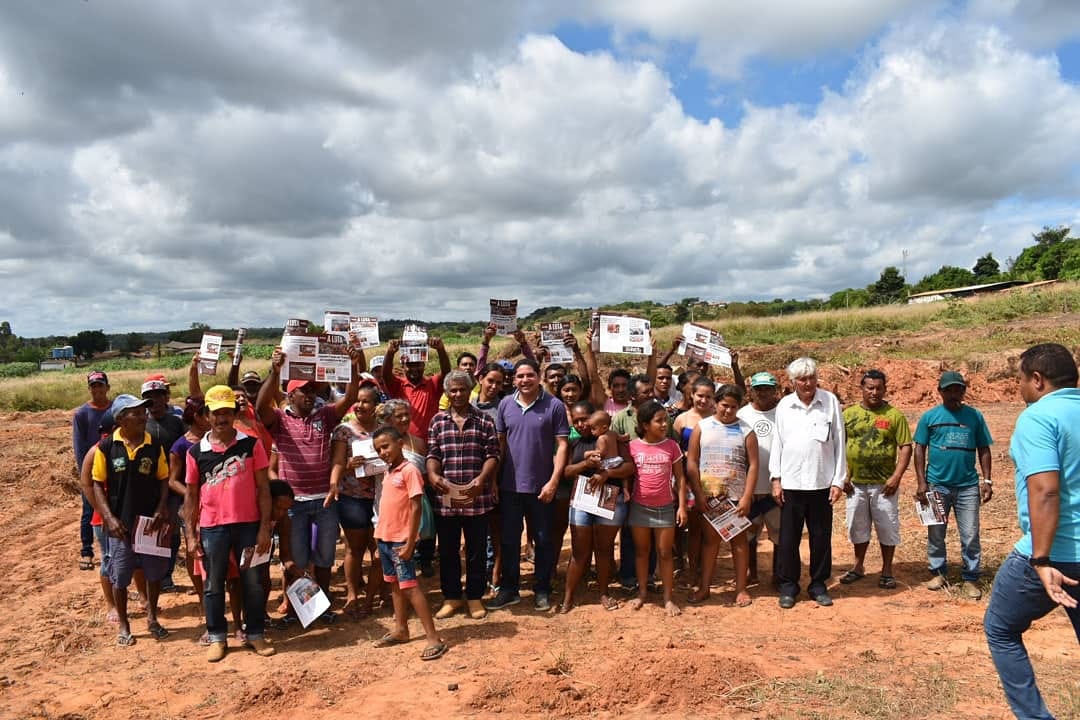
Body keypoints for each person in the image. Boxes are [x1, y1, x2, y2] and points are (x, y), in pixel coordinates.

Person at [984, 343, 1080, 720]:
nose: (1019, 388)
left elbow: (1045, 489)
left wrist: (1040, 558)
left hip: (1054, 551)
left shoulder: (1038, 418)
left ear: (1037, 380)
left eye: (1020, 380)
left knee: (1001, 629)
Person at [256, 344, 365, 612]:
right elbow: (260, 407)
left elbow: (349, 397)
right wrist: (275, 370)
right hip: (293, 505)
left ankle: (322, 607)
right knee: (297, 561)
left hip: (325, 500)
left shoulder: (325, 415)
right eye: (304, 390)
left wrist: (352, 366)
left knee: (325, 558)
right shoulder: (279, 419)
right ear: (290, 394)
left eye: (313, 390)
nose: (310, 394)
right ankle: (299, 610)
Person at [184, 385, 274, 662]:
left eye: (226, 412)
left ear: (235, 414)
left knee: (253, 583)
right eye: (216, 413)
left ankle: (255, 634)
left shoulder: (250, 444)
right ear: (206, 416)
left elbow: (263, 488)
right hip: (212, 527)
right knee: (213, 584)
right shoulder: (196, 452)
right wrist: (190, 534)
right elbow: (190, 495)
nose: (222, 418)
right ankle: (217, 637)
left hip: (248, 524)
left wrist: (264, 528)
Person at [487, 359, 570, 612]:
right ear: (514, 380)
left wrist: (554, 481)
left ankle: (542, 589)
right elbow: (499, 444)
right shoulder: (505, 405)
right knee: (510, 541)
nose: (525, 380)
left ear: (539, 377)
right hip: (510, 486)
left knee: (544, 540)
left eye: (530, 375)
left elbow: (562, 445)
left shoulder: (554, 406)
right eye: (520, 376)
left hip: (541, 487)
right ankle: (510, 590)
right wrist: (493, 480)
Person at [88, 394, 171, 647]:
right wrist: (109, 518)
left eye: (143, 412)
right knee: (120, 576)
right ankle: (124, 625)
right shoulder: (106, 448)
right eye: (136, 412)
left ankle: (152, 618)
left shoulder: (154, 445)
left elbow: (164, 478)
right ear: (121, 418)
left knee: (154, 573)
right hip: (120, 525)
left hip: (149, 524)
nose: (143, 416)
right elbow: (96, 485)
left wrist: (160, 508)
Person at [769, 357, 846, 609]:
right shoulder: (784, 406)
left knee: (821, 537)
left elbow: (839, 442)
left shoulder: (829, 402)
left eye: (811, 377)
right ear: (793, 382)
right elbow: (777, 444)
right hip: (791, 483)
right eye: (802, 379)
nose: (807, 383)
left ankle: (818, 585)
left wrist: (838, 481)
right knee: (789, 539)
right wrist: (776, 479)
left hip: (821, 482)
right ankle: (789, 586)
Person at [426, 370, 500, 620]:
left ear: (471, 391)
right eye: (453, 390)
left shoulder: (484, 421)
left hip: (476, 497)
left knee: (476, 550)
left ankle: (475, 597)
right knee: (447, 550)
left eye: (462, 389)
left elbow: (493, 454)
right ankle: (452, 597)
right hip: (446, 498)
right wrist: (433, 476)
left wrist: (482, 479)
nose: (458, 394)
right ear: (447, 393)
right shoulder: (437, 421)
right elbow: (433, 454)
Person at [914, 370, 993, 599]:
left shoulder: (974, 417)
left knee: (970, 533)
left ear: (963, 390)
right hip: (936, 485)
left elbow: (984, 448)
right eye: (948, 389)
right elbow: (919, 448)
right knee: (936, 532)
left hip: (968, 486)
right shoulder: (930, 417)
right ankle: (938, 572)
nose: (953, 393)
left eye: (958, 388)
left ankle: (970, 578)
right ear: (940, 391)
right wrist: (922, 482)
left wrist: (987, 480)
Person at [371, 426, 447, 661]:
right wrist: (379, 537)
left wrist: (411, 541)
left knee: (411, 587)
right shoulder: (388, 471)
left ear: (400, 443)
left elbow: (416, 507)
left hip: (401, 540)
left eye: (386, 446)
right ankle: (401, 629)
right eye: (378, 449)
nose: (382, 452)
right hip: (385, 537)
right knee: (394, 585)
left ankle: (433, 637)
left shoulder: (410, 470)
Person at [686, 384, 758, 606]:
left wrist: (747, 496)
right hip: (710, 498)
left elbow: (754, 465)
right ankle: (705, 587)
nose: (728, 411)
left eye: (733, 407)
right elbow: (692, 461)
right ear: (716, 403)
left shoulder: (746, 430)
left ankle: (741, 590)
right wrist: (698, 493)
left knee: (739, 542)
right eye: (724, 405)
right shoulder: (703, 427)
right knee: (710, 542)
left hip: (735, 497)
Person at [840, 370, 912, 590]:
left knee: (887, 527)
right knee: (856, 526)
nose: (874, 392)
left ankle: (887, 570)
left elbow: (906, 447)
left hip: (884, 485)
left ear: (885, 389)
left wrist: (896, 476)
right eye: (869, 387)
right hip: (855, 485)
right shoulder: (848, 414)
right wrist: (843, 474)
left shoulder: (894, 416)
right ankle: (858, 566)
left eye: (878, 388)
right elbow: (838, 445)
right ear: (861, 389)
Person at [560, 401, 634, 612]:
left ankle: (604, 593)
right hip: (583, 500)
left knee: (604, 549)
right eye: (576, 422)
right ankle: (568, 597)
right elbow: (565, 472)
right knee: (579, 551)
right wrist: (586, 465)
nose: (581, 425)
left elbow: (629, 468)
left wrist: (607, 474)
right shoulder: (574, 444)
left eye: (585, 419)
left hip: (610, 499)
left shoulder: (611, 438)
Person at [327, 385, 384, 619]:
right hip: (353, 496)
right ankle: (352, 594)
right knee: (355, 548)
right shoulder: (344, 431)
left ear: (376, 406)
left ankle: (379, 590)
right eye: (357, 401)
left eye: (366, 401)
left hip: (381, 497)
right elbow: (338, 462)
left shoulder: (385, 431)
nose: (360, 406)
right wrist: (349, 465)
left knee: (380, 549)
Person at [627, 399, 688, 616]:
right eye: (659, 421)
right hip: (639, 507)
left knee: (664, 553)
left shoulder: (672, 446)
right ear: (645, 425)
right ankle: (642, 592)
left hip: (665, 508)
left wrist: (681, 506)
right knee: (642, 552)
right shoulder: (632, 447)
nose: (664, 424)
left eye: (666, 420)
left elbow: (681, 479)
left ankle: (668, 597)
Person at [141, 375, 187, 591]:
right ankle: (152, 579)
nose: (155, 402)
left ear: (166, 397)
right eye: (149, 398)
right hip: (148, 490)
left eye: (158, 396)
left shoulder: (177, 423)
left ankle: (167, 576)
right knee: (149, 533)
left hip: (174, 487)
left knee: (173, 532)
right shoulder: (141, 426)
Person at [737, 372, 782, 587]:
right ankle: (751, 573)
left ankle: (777, 574)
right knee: (748, 535)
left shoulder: (783, 413)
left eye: (767, 388)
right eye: (759, 388)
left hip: (777, 487)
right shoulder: (742, 414)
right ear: (751, 391)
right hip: (749, 489)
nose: (763, 393)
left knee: (779, 535)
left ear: (776, 390)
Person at [73, 370, 112, 570]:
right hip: (91, 465)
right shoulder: (82, 414)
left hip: (115, 466)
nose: (97, 389)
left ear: (107, 387)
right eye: (93, 385)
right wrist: (84, 473)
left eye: (100, 385)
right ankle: (87, 550)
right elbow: (79, 446)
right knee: (90, 508)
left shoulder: (115, 408)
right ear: (89, 388)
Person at [380, 335, 451, 443]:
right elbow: (385, 375)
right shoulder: (398, 385)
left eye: (418, 364)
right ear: (403, 366)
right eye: (409, 365)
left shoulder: (432, 384)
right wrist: (390, 353)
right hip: (402, 444)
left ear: (424, 365)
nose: (414, 369)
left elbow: (446, 372)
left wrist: (440, 350)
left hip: (429, 444)